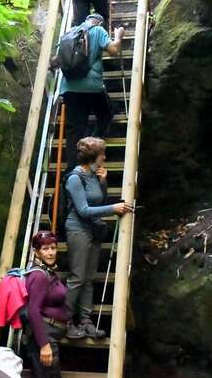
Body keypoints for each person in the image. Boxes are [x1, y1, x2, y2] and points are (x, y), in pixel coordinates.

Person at [64, 137, 134, 339]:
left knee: (89, 278)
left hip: (94, 230)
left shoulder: (94, 175)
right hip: (78, 229)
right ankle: (66, 321)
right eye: (102, 154)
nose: (105, 156)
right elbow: (84, 210)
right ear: (94, 156)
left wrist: (103, 182)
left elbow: (98, 199)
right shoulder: (75, 178)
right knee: (77, 277)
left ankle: (86, 322)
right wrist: (113, 208)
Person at [60, 13, 125, 174]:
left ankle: (72, 171)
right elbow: (114, 50)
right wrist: (118, 36)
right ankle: (93, 143)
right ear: (100, 22)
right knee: (105, 114)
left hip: (69, 88)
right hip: (92, 87)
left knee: (75, 129)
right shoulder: (98, 30)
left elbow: (57, 59)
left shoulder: (70, 32)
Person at [23, 231, 69, 378]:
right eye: (45, 249)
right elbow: (33, 311)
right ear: (36, 252)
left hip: (51, 333)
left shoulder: (48, 272)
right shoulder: (39, 276)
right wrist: (44, 344)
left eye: (53, 248)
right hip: (45, 336)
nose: (50, 253)